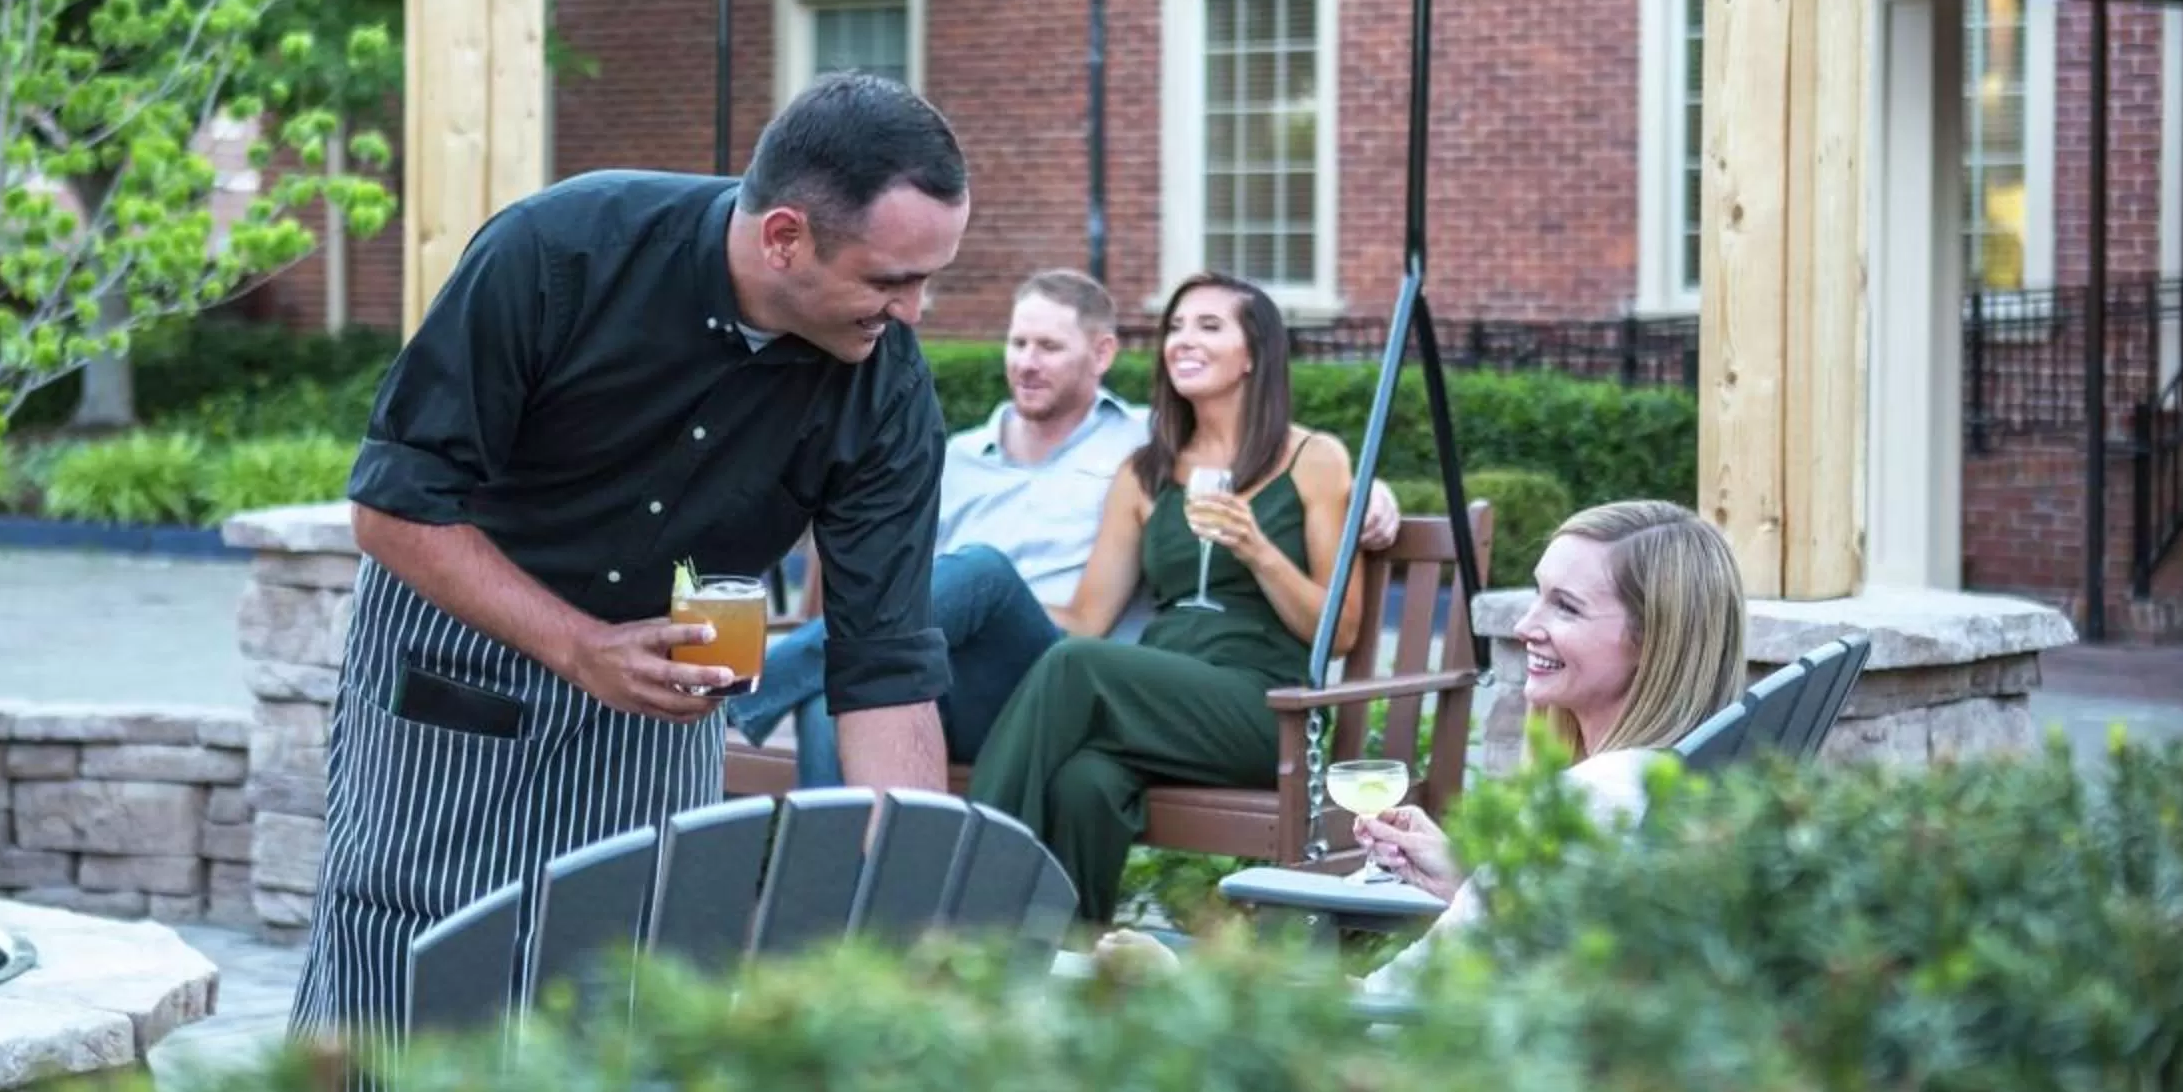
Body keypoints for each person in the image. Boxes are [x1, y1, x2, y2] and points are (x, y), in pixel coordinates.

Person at [293, 73, 968, 1068]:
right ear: (785, 235)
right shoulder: (559, 252)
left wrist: (920, 892)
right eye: (889, 280)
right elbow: (393, 506)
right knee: (408, 958)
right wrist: (581, 646)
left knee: (635, 972)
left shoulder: (887, 393)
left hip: (657, 702)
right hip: (459, 655)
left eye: (928, 278)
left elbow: (884, 662)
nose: (914, 311)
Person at [729, 270, 1403, 785]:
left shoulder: (1148, 444)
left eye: (1049, 346)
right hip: (949, 678)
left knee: (984, 571)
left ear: (1103, 353)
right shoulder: (952, 453)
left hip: (1061, 671)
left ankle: (748, 689)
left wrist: (1373, 490)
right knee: (839, 698)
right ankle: (838, 924)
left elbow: (1270, 454)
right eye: (1018, 343)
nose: (1027, 361)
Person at [966, 271, 1358, 924]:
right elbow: (1087, 620)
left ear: (1255, 353)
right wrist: (985, 602)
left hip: (1269, 709)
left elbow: (1340, 631)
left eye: (1208, 326)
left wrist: (1258, 549)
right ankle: (1067, 963)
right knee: (1083, 782)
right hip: (1162, 699)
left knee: (1075, 668)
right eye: (1175, 326)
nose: (1183, 340)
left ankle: (962, 906)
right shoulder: (1145, 471)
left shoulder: (1314, 459)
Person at [1350, 499, 1745, 991]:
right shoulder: (1654, 781)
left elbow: (1394, 1000)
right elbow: (1546, 938)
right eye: (1540, 595)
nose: (1524, 627)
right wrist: (1473, 878)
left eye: (1566, 606)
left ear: (1652, 641)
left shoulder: (1594, 797)